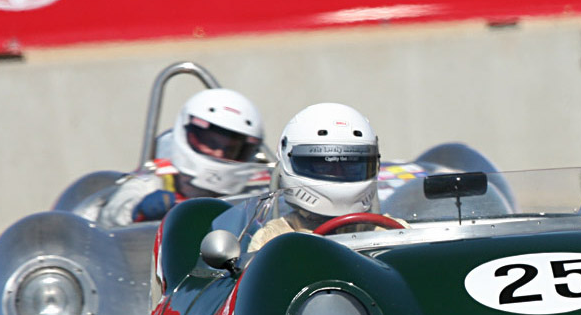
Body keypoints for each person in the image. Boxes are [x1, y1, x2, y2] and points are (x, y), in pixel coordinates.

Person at [98, 88, 267, 227]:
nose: (219, 153)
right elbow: (108, 221)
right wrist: (139, 211)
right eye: (211, 142)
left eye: (231, 149)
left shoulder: (255, 189)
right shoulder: (152, 182)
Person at [248, 102, 380, 251]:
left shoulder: (388, 230)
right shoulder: (274, 238)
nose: (337, 173)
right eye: (324, 165)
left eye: (351, 165)